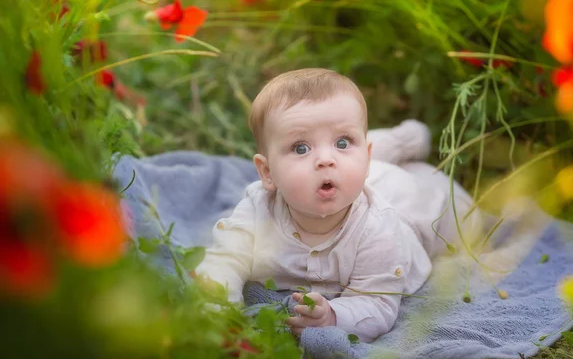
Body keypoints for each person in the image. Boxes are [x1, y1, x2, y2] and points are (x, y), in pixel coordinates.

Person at [194, 68, 483, 342]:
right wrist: (219, 311)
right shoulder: (258, 209)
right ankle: (385, 143)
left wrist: (334, 316)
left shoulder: (379, 230)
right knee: (347, 159)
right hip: (360, 176)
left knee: (467, 220)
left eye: (342, 142)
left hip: (417, 205)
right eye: (301, 148)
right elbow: (225, 260)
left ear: (365, 158)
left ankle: (403, 140)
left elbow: (377, 303)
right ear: (267, 173)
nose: (324, 158)